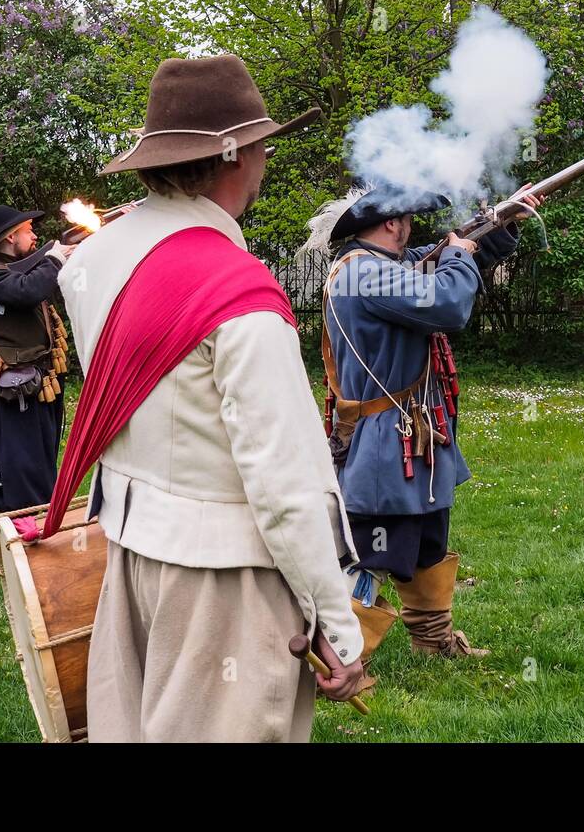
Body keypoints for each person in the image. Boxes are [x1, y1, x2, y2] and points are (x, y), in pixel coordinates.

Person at [57, 54, 364, 741]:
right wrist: (337, 621)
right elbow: (285, 481)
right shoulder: (241, 293)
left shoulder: (91, 262)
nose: (265, 160)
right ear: (236, 157)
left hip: (134, 550)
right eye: (261, 146)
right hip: (224, 581)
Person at [303, 181, 539, 690]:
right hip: (387, 437)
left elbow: (438, 266)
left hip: (414, 430)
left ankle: (433, 639)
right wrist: (459, 254)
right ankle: (341, 659)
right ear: (390, 222)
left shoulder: (384, 266)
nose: (411, 226)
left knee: (429, 537)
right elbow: (448, 304)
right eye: (405, 218)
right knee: (371, 552)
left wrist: (501, 225)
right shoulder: (365, 273)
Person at [0, 206, 73, 512]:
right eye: (28, 230)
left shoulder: (17, 268)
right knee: (24, 470)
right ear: (10, 237)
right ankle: (29, 533)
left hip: (38, 383)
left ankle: (41, 527)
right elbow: (28, 290)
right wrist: (55, 258)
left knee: (41, 463)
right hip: (19, 389)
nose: (34, 235)